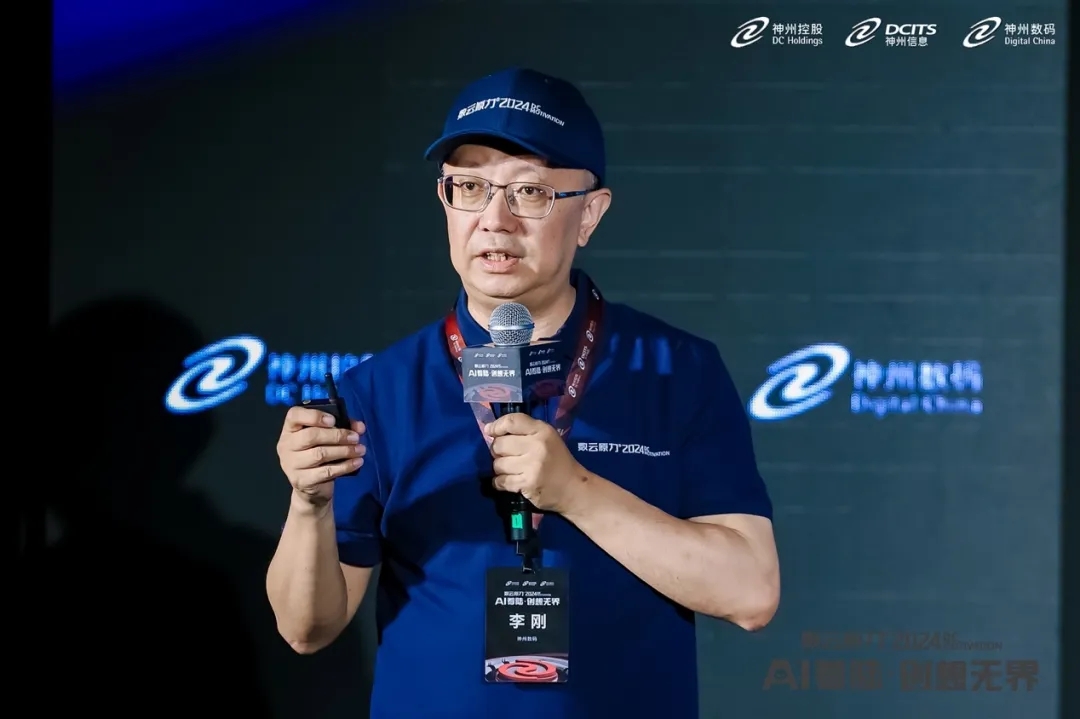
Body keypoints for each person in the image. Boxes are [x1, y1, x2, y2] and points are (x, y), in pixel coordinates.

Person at [266, 67, 780, 718]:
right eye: (470, 187)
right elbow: (305, 629)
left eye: (530, 191)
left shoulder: (678, 370)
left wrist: (576, 492)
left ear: (589, 213)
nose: (494, 220)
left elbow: (750, 594)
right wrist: (309, 504)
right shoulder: (378, 390)